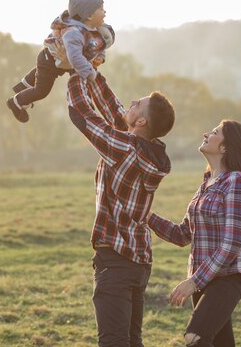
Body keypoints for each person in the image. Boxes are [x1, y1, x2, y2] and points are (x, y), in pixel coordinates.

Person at [67, 69, 175, 347]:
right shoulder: (143, 149)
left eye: (136, 105)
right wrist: (89, 71)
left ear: (140, 121)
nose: (130, 104)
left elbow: (82, 114)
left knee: (114, 343)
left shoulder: (124, 149)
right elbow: (113, 109)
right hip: (138, 260)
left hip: (115, 260)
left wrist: (71, 72)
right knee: (131, 341)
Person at [147, 120, 241, 347]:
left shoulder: (237, 182)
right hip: (204, 280)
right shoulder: (206, 184)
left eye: (215, 132)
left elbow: (233, 244)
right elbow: (182, 234)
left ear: (225, 147)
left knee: (196, 336)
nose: (206, 133)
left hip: (227, 278)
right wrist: (147, 215)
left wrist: (193, 281)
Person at [7, 0, 115, 123]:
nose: (105, 13)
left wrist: (100, 57)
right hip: (50, 60)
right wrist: (90, 73)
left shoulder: (95, 27)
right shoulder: (73, 33)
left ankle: (23, 86)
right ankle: (17, 101)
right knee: (42, 90)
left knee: (40, 73)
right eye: (101, 9)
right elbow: (75, 59)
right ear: (90, 15)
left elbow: (100, 43)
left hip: (59, 60)